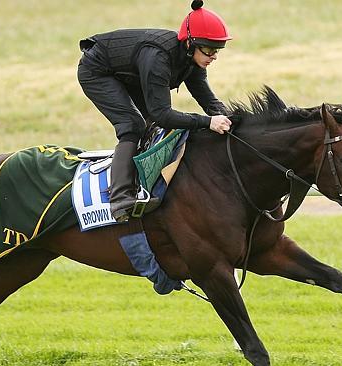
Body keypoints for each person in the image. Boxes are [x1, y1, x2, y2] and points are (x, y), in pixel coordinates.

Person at [77, 0, 232, 222]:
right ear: (189, 43)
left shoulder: (192, 61)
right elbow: (164, 115)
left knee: (152, 127)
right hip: (98, 71)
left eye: (217, 50)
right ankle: (120, 199)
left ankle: (146, 184)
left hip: (129, 73)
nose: (214, 56)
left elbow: (208, 100)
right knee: (133, 126)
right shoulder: (159, 58)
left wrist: (228, 118)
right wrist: (207, 122)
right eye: (209, 49)